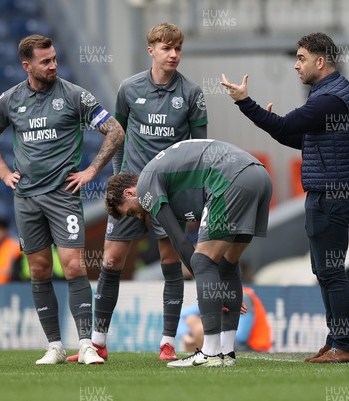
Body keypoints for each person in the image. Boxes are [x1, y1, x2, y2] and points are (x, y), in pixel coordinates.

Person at [0, 34, 125, 365]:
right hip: (26, 198)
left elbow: (116, 131)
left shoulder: (75, 95)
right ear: (27, 65)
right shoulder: (10, 100)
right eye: (45, 61)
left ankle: (86, 344)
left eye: (55, 58)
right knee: (39, 269)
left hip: (63, 195)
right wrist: (4, 173)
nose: (53, 65)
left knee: (74, 265)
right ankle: (54, 346)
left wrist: (90, 171)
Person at [221, 32, 349, 363]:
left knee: (331, 271)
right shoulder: (331, 94)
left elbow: (286, 127)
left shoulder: (329, 98)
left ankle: (344, 345)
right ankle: (337, 340)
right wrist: (275, 125)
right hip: (331, 192)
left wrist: (245, 102)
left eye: (301, 58)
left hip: (330, 194)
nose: (296, 66)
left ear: (320, 61)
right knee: (328, 271)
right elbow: (305, 140)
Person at [73, 22, 208, 363]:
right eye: (166, 48)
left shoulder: (191, 94)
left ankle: (167, 342)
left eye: (178, 48)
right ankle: (98, 342)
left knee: (169, 262)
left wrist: (192, 195)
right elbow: (116, 135)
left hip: (169, 195)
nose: (174, 54)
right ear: (151, 50)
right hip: (131, 193)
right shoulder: (129, 88)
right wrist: (119, 178)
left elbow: (200, 149)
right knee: (111, 261)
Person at [105, 139, 272, 367]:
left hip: (230, 178)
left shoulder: (145, 185)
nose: (136, 217)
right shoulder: (170, 182)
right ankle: (227, 351)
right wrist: (216, 286)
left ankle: (211, 353)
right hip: (259, 175)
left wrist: (207, 282)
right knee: (227, 262)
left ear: (129, 192)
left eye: (130, 212)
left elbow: (179, 240)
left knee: (203, 261)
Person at [177, 286, 272, 353]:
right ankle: (200, 354)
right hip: (232, 341)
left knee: (202, 330)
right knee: (191, 320)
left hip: (252, 347)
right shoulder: (219, 294)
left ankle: (205, 354)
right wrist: (186, 335)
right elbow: (183, 314)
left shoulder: (244, 296)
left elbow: (242, 337)